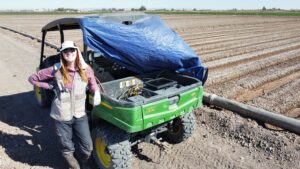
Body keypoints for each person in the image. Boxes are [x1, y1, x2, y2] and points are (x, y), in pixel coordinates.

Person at [28, 41, 101, 169]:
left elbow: (92, 83)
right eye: (66, 51)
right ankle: (74, 167)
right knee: (67, 147)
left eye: (72, 50)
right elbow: (32, 78)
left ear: (77, 52)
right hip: (61, 116)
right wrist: (49, 86)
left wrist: (96, 92)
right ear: (62, 54)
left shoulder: (86, 69)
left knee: (88, 146)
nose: (69, 53)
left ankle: (85, 163)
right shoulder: (55, 69)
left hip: (80, 114)